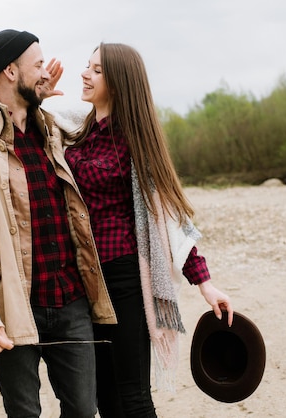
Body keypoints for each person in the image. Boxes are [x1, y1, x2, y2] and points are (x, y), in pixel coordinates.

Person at [0, 29, 116, 418]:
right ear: (9, 70)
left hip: (72, 303)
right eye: (38, 65)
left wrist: (41, 96)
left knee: (85, 412)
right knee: (24, 414)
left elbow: (102, 128)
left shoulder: (53, 133)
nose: (47, 72)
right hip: (14, 309)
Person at [63, 43, 234, 418]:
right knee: (103, 397)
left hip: (125, 278)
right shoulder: (78, 130)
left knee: (133, 395)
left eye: (96, 70)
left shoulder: (133, 142)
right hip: (86, 280)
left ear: (119, 82)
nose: (84, 74)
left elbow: (171, 219)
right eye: (86, 66)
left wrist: (204, 283)